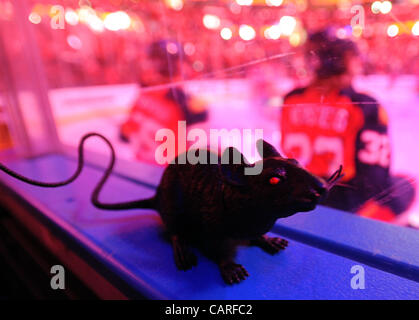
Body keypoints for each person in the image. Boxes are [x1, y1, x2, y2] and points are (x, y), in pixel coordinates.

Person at [279, 30, 415, 222]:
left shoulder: (291, 99)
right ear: (339, 63)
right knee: (407, 184)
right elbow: (376, 180)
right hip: (344, 203)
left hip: (299, 194)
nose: (358, 66)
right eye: (353, 59)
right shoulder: (362, 105)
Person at [120, 40, 208, 163]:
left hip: (147, 167)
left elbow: (125, 133)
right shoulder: (181, 101)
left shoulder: (144, 97)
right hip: (169, 171)